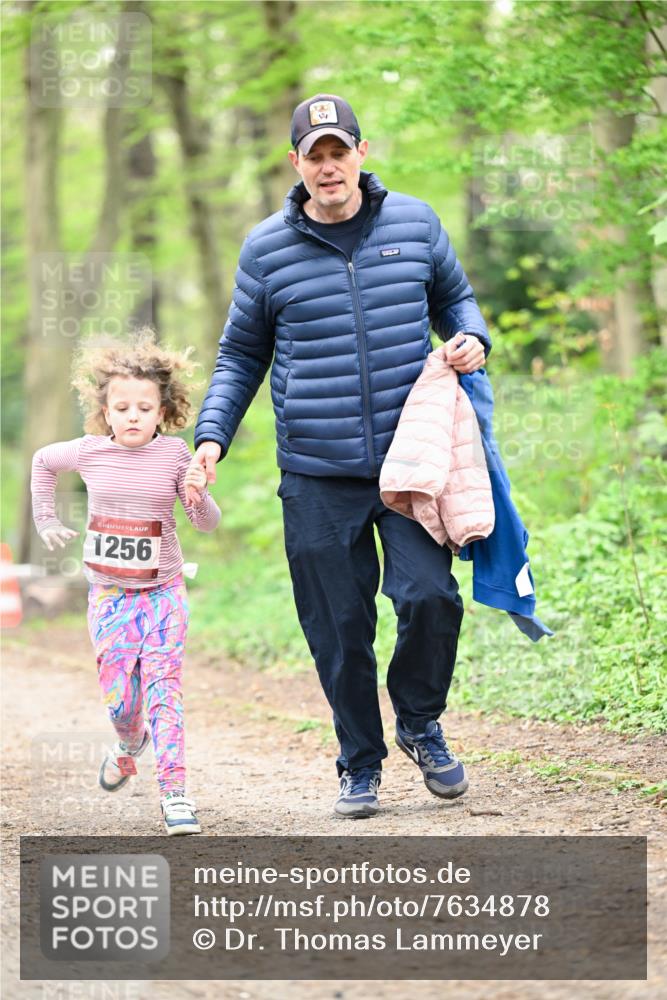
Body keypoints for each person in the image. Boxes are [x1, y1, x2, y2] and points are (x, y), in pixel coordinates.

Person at [189, 94, 491, 819]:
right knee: (339, 627)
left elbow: (457, 298)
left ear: (361, 153)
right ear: (295, 164)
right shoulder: (266, 248)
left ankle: (418, 721)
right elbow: (240, 355)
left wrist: (473, 338)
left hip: (408, 465)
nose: (328, 166)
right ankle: (359, 762)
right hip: (316, 474)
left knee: (429, 598)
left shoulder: (414, 223)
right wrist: (210, 438)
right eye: (314, 155)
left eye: (339, 151)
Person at [31, 329, 220, 835]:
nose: (133, 416)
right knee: (121, 703)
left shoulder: (176, 457)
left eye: (144, 407)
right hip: (109, 596)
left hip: (163, 594)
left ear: (163, 411)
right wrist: (46, 519)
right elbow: (43, 462)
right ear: (105, 412)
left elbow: (206, 523)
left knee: (164, 690)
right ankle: (127, 743)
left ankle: (175, 794)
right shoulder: (90, 452)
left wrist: (199, 495)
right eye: (122, 407)